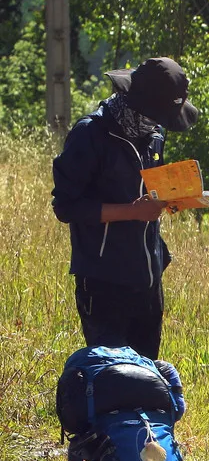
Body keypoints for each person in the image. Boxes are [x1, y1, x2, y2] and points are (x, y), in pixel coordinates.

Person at [52, 57, 199, 360]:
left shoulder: (153, 134)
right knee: (113, 380)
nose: (160, 124)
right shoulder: (90, 135)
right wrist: (132, 211)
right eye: (157, 115)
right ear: (136, 103)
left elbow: (146, 191)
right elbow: (66, 207)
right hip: (104, 283)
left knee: (147, 375)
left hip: (148, 279)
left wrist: (172, 199)